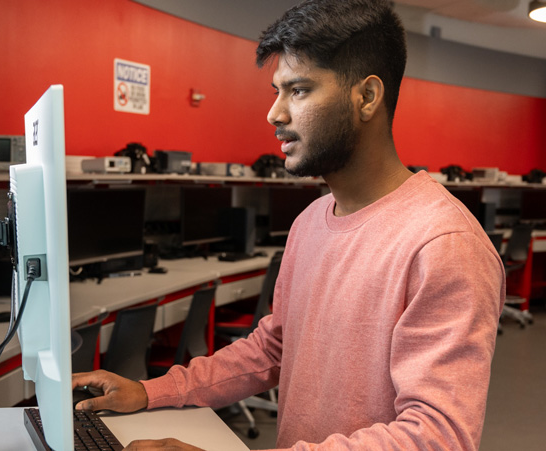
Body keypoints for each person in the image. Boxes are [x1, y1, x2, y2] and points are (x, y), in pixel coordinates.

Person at [72, 0, 505, 449]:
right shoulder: (310, 222)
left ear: (367, 97)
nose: (275, 114)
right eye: (276, 91)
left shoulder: (444, 245)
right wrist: (152, 390)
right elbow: (273, 349)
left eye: (298, 90)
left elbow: (439, 436)